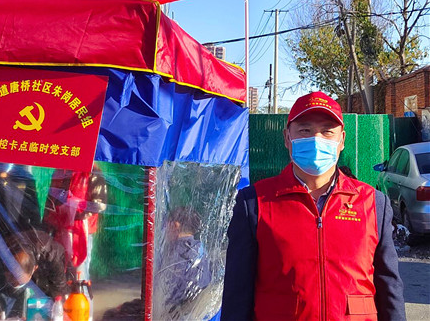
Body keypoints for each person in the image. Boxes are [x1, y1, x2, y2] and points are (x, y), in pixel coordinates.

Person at [222, 91, 405, 320]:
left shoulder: (373, 203)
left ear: (341, 140)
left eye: (327, 131)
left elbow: (389, 287)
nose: (317, 139)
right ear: (287, 138)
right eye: (305, 130)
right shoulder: (254, 203)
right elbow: (237, 293)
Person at [0, 229, 68, 321]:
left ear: (34, 269)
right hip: (5, 282)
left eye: (19, 282)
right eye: (11, 280)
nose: (16, 284)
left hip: (46, 272)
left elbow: (59, 290)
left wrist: (57, 310)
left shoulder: (51, 257)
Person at [156, 207, 211, 319]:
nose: (164, 230)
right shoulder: (199, 249)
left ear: (175, 225)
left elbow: (165, 295)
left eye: (166, 225)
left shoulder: (177, 254)